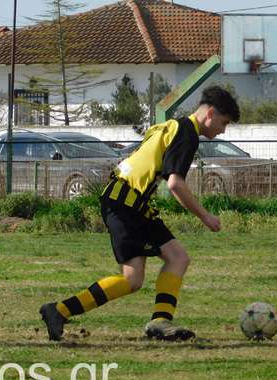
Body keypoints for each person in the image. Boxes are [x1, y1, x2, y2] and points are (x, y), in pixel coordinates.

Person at [40, 86, 240, 342]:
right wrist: (205, 216)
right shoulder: (188, 133)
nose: (223, 130)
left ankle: (160, 321)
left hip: (133, 202)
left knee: (177, 258)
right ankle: (59, 310)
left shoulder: (173, 126)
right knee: (133, 279)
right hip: (124, 203)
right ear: (210, 113)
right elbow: (175, 184)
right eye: (224, 123)